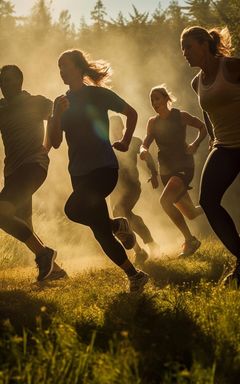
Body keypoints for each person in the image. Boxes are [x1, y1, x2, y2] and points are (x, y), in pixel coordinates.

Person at [48, 49, 149, 292]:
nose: (61, 71)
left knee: (72, 209)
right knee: (101, 232)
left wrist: (125, 141)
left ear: (79, 68)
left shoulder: (98, 95)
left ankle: (116, 226)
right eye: (59, 67)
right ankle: (134, 275)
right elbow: (55, 142)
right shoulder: (61, 102)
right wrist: (56, 115)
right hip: (79, 174)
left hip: (104, 168)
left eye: (65, 66)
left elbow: (131, 113)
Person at [181, 26, 240, 284]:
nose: (184, 53)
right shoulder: (197, 82)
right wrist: (213, 137)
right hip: (225, 147)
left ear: (205, 45)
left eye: (188, 47)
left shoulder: (232, 67)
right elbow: (207, 109)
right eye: (182, 48)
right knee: (208, 201)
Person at [0, 65, 66, 282]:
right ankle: (55, 270)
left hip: (33, 165)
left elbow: (57, 116)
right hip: (12, 172)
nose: (4, 84)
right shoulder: (1, 108)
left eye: (8, 79)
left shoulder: (36, 102)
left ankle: (44, 254)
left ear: (19, 81)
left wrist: (48, 144)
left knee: (2, 213)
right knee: (24, 223)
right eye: (1, 80)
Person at [140, 84, 206, 256]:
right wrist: (144, 153)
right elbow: (145, 144)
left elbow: (203, 127)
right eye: (152, 100)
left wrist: (195, 144)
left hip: (184, 167)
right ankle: (209, 205)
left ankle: (190, 240)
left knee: (165, 202)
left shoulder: (180, 116)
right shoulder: (153, 123)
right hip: (166, 171)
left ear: (166, 99)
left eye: (157, 98)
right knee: (191, 213)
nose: (154, 102)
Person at [109, 115, 160, 265]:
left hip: (132, 187)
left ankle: (148, 244)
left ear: (123, 127)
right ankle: (140, 250)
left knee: (121, 210)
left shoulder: (134, 141)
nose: (115, 130)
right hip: (115, 189)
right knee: (121, 220)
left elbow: (147, 156)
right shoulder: (108, 145)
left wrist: (154, 173)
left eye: (117, 126)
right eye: (112, 128)